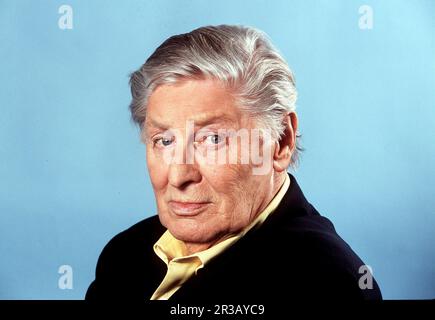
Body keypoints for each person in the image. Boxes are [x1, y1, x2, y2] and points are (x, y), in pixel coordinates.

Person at [86, 25, 382, 301]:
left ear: (280, 142)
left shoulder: (325, 283)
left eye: (213, 139)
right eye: (164, 140)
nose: (178, 175)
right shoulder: (125, 253)